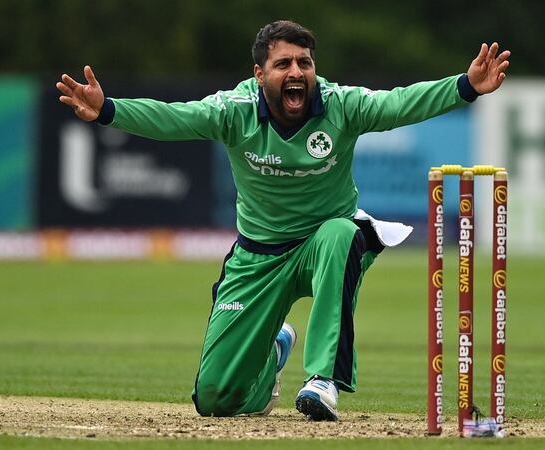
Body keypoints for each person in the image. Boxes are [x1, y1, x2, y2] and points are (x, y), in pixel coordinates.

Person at [56, 20, 510, 422]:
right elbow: (175, 118)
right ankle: (272, 355)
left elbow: (400, 103)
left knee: (339, 234)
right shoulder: (234, 110)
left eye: (305, 63)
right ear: (259, 75)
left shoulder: (340, 105)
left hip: (324, 243)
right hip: (257, 257)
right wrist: (108, 110)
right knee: (215, 399)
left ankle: (323, 380)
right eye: (284, 64)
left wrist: (464, 86)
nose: (297, 72)